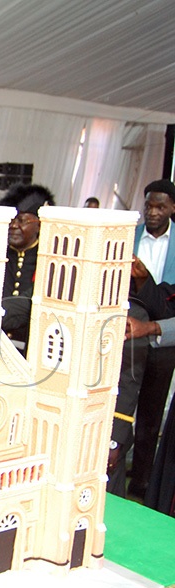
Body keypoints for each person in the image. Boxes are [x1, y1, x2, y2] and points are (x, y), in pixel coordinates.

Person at [127, 180, 175, 499]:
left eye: (160, 206)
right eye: (149, 206)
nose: (153, 212)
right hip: (128, 331)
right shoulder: (127, 237)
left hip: (164, 334)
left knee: (150, 414)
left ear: (173, 208)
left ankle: (141, 482)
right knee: (121, 404)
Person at [0, 183, 55, 353]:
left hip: (30, 347)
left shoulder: (48, 259)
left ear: (39, 224)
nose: (14, 226)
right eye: (11, 220)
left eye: (21, 220)